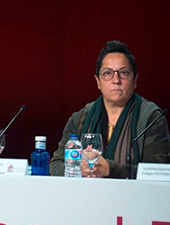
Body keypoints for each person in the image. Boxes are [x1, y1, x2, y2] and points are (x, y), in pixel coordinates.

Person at [50, 40, 170, 178]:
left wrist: (111, 169)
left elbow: (158, 173)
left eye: (124, 72)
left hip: (134, 197)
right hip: (85, 197)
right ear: (98, 81)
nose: (116, 80)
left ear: (135, 79)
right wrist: (77, 170)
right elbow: (56, 165)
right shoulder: (80, 118)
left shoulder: (151, 118)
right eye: (107, 73)